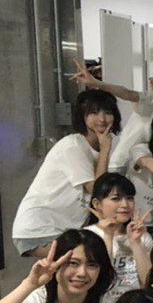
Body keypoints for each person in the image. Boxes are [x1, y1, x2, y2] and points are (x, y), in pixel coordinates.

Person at [12, 88, 119, 257]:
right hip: (40, 228)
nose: (102, 119)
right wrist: (105, 149)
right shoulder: (73, 146)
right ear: (82, 116)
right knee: (83, 261)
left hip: (64, 227)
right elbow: (97, 190)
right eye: (94, 112)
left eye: (108, 112)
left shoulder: (99, 146)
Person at [85, 174, 152, 303]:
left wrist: (135, 243)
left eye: (130, 198)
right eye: (116, 198)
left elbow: (149, 281)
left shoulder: (141, 235)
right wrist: (108, 236)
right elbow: (95, 280)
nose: (125, 205)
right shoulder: (87, 236)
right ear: (97, 204)